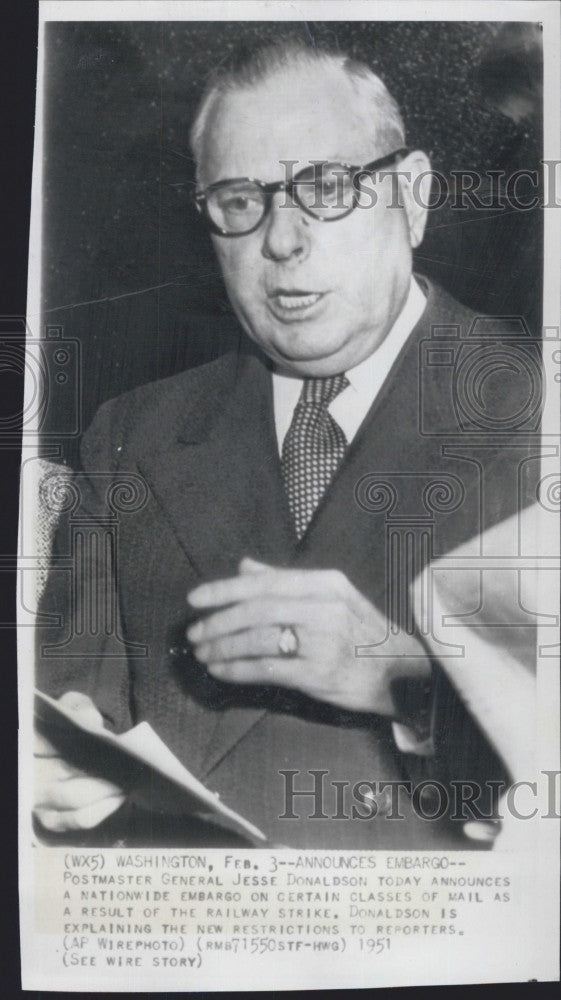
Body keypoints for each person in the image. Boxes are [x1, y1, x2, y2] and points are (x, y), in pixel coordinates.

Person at [34, 39, 538, 848]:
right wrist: (50, 776)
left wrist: (406, 680)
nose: (281, 240)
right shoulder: (128, 435)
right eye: (239, 200)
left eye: (326, 188)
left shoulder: (536, 410)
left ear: (412, 195)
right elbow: (61, 708)